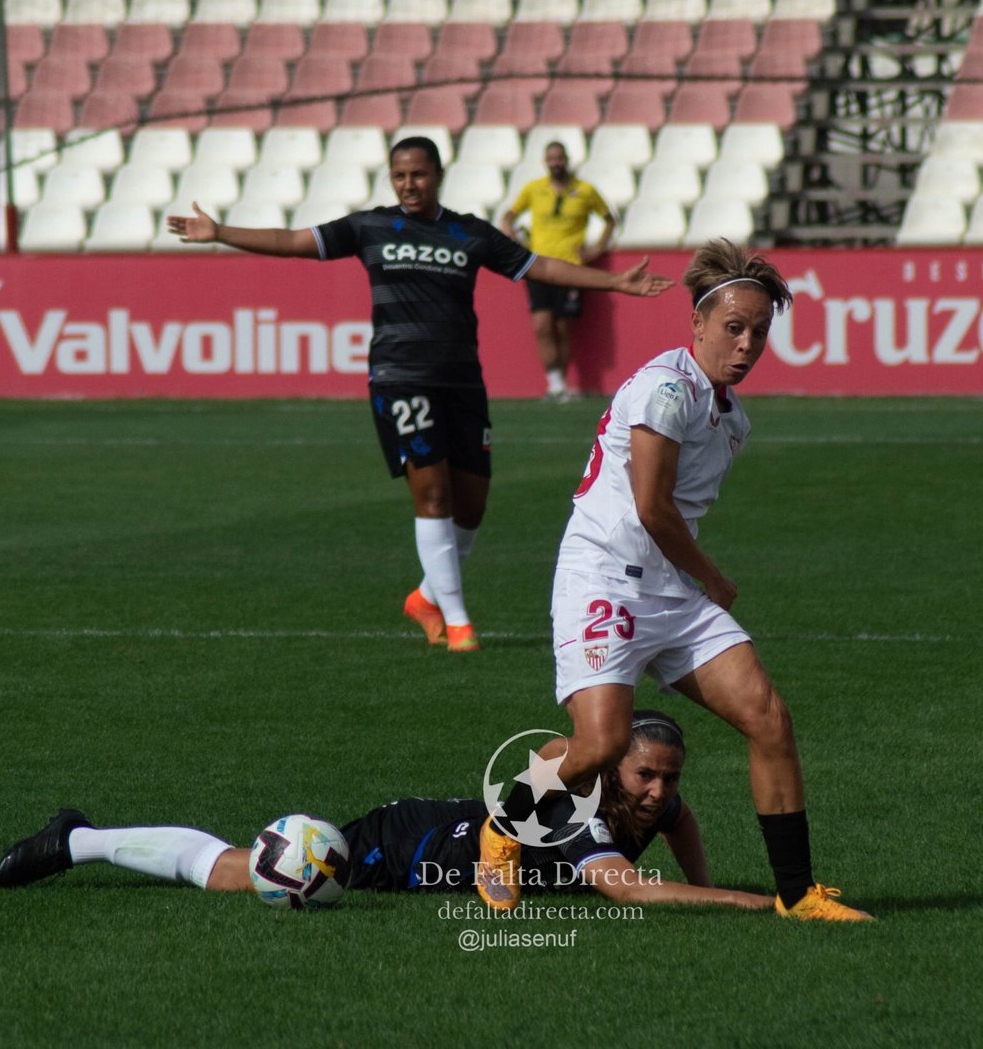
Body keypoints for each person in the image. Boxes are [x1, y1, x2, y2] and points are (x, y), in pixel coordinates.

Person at [478, 240, 876, 923]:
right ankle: (502, 828)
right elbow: (651, 508)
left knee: (768, 718)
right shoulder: (666, 390)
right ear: (696, 326)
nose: (747, 343)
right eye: (733, 327)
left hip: (665, 590)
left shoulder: (731, 418)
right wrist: (715, 579)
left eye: (759, 331)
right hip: (605, 579)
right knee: (600, 745)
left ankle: (798, 895)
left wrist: (694, 584)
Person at [167, 138, 670, 652]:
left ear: (437, 175)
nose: (409, 185)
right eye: (400, 176)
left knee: (471, 506)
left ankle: (427, 598)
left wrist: (613, 282)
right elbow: (294, 240)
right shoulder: (370, 227)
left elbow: (537, 266)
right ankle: (458, 623)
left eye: (419, 175)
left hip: (463, 380)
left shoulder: (468, 232)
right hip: (400, 376)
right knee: (433, 494)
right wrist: (220, 232)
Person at [0, 710, 775, 911]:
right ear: (616, 764)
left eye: (669, 778)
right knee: (245, 874)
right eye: (646, 775)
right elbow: (619, 887)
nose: (659, 792)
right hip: (411, 843)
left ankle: (79, 837)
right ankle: (79, 841)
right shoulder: (581, 809)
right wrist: (738, 901)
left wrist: (706, 879)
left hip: (455, 833)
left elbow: (681, 826)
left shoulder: (658, 806)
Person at [499, 142, 616, 401]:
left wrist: (597, 248)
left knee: (564, 327)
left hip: (570, 267)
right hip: (538, 267)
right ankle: (554, 383)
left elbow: (609, 218)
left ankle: (560, 383)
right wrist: (512, 236)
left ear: (566, 160)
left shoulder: (584, 191)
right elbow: (508, 215)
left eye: (559, 158)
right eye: (551, 158)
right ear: (545, 161)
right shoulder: (534, 189)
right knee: (542, 325)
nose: (555, 163)